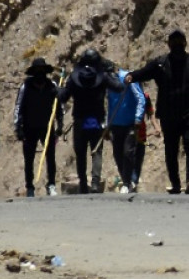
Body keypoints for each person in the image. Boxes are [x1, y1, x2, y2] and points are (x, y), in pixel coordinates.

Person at [125, 29, 189, 194]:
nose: (177, 45)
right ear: (169, 45)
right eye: (174, 42)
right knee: (171, 150)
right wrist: (132, 76)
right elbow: (145, 72)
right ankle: (175, 183)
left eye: (179, 42)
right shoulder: (160, 64)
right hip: (169, 115)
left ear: (185, 44)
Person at [60, 49, 123, 194]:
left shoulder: (74, 78)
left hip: (79, 121)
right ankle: (95, 183)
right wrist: (115, 75)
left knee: (80, 153)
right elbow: (119, 87)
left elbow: (63, 96)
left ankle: (83, 183)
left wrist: (57, 90)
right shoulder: (103, 77)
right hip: (96, 120)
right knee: (97, 152)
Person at [13, 57, 64, 197]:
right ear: (33, 72)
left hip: (47, 128)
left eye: (42, 70)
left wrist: (60, 124)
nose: (40, 73)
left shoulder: (52, 86)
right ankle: (29, 186)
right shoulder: (26, 87)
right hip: (29, 128)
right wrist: (18, 128)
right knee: (29, 159)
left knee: (50, 157)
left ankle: (51, 184)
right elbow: (19, 107)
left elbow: (59, 107)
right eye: (37, 70)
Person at [105, 61, 145, 193]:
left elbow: (140, 98)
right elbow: (110, 104)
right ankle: (126, 179)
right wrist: (107, 124)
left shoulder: (128, 78)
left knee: (128, 152)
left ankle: (127, 183)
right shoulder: (108, 83)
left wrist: (138, 118)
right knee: (117, 154)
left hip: (130, 124)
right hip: (115, 124)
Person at [132, 90, 160, 189]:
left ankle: (133, 182)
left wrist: (156, 127)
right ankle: (130, 180)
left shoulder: (146, 97)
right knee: (129, 156)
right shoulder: (126, 95)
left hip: (141, 133)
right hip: (128, 131)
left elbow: (151, 113)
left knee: (138, 159)